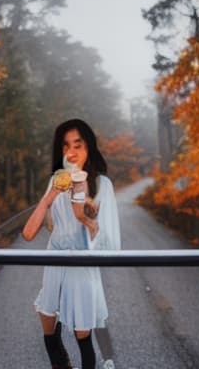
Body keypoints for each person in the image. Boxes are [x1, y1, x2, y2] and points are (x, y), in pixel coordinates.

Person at [22, 118, 121, 369]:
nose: (72, 152)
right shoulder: (56, 180)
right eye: (66, 146)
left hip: (82, 261)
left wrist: (87, 214)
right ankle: (61, 364)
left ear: (89, 147)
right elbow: (33, 230)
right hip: (54, 258)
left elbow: (108, 238)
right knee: (46, 319)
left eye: (78, 145)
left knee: (82, 331)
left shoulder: (102, 185)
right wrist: (51, 196)